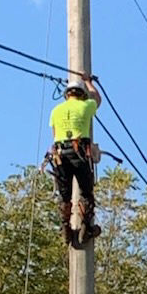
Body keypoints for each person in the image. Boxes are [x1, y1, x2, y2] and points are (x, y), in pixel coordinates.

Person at [48, 76, 102, 246]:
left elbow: (55, 135)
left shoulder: (56, 111)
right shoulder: (86, 105)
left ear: (66, 95)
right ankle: (85, 227)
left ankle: (65, 228)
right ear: (82, 94)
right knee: (86, 192)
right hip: (79, 153)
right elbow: (97, 98)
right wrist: (89, 82)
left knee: (65, 195)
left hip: (60, 156)